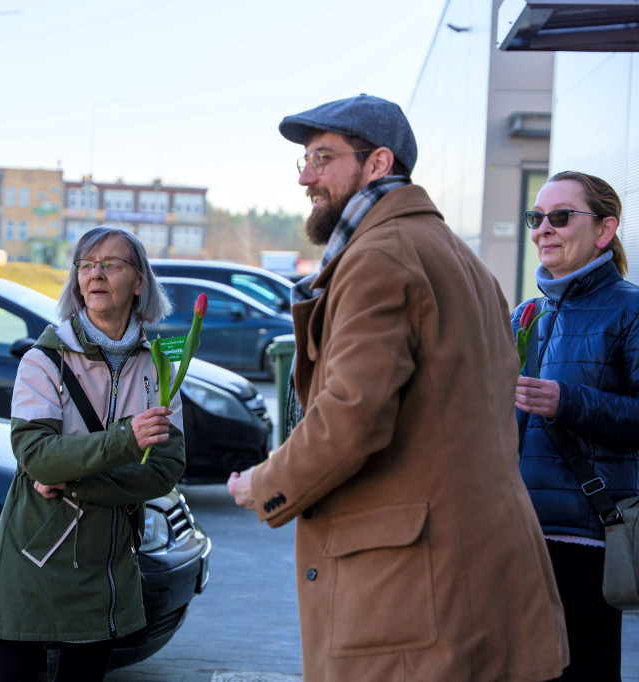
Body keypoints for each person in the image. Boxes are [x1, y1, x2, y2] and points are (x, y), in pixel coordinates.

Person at [226, 94, 569, 680]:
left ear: (379, 163)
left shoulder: (379, 257)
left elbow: (351, 417)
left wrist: (266, 482)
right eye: (304, 161)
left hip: (411, 598)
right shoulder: (461, 259)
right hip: (480, 581)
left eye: (323, 158)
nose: (307, 176)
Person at [0, 225, 186, 681]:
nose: (96, 274)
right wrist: (125, 442)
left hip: (108, 566)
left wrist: (72, 478)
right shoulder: (42, 361)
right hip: (33, 558)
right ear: (76, 280)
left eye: (111, 264)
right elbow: (36, 456)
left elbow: (165, 471)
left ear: (139, 282)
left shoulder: (160, 368)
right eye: (86, 265)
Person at [514, 170, 639, 681]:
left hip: (590, 539)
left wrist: (570, 402)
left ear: (605, 230)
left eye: (560, 217)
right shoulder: (526, 315)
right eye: (536, 217)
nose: (544, 228)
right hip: (521, 534)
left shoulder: (631, 309)